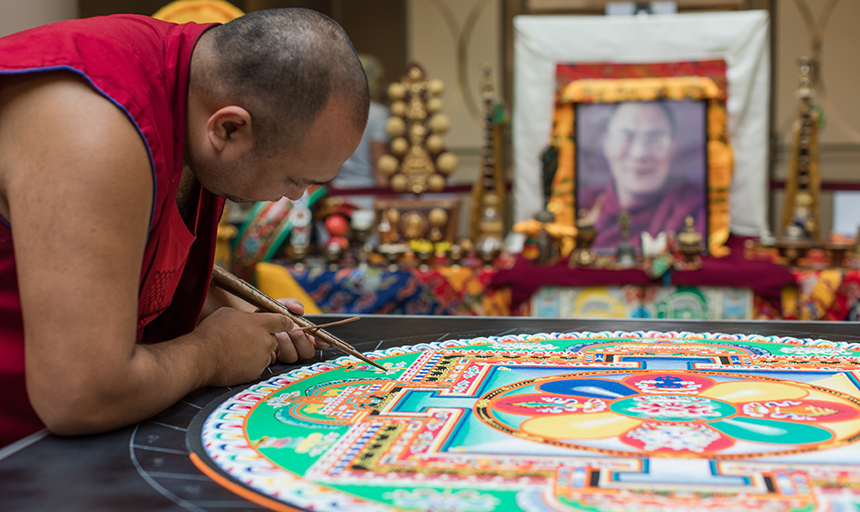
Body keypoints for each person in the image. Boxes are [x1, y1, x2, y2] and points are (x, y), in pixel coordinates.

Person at [0, 9, 368, 445]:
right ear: (229, 127)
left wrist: (236, 316)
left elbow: (148, 264)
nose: (295, 198)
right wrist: (213, 353)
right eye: (293, 179)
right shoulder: (93, 127)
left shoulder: (195, 99)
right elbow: (80, 396)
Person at [581, 101, 705, 250]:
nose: (639, 154)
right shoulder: (583, 205)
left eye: (655, 139)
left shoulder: (697, 208)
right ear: (606, 145)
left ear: (673, 148)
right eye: (625, 137)